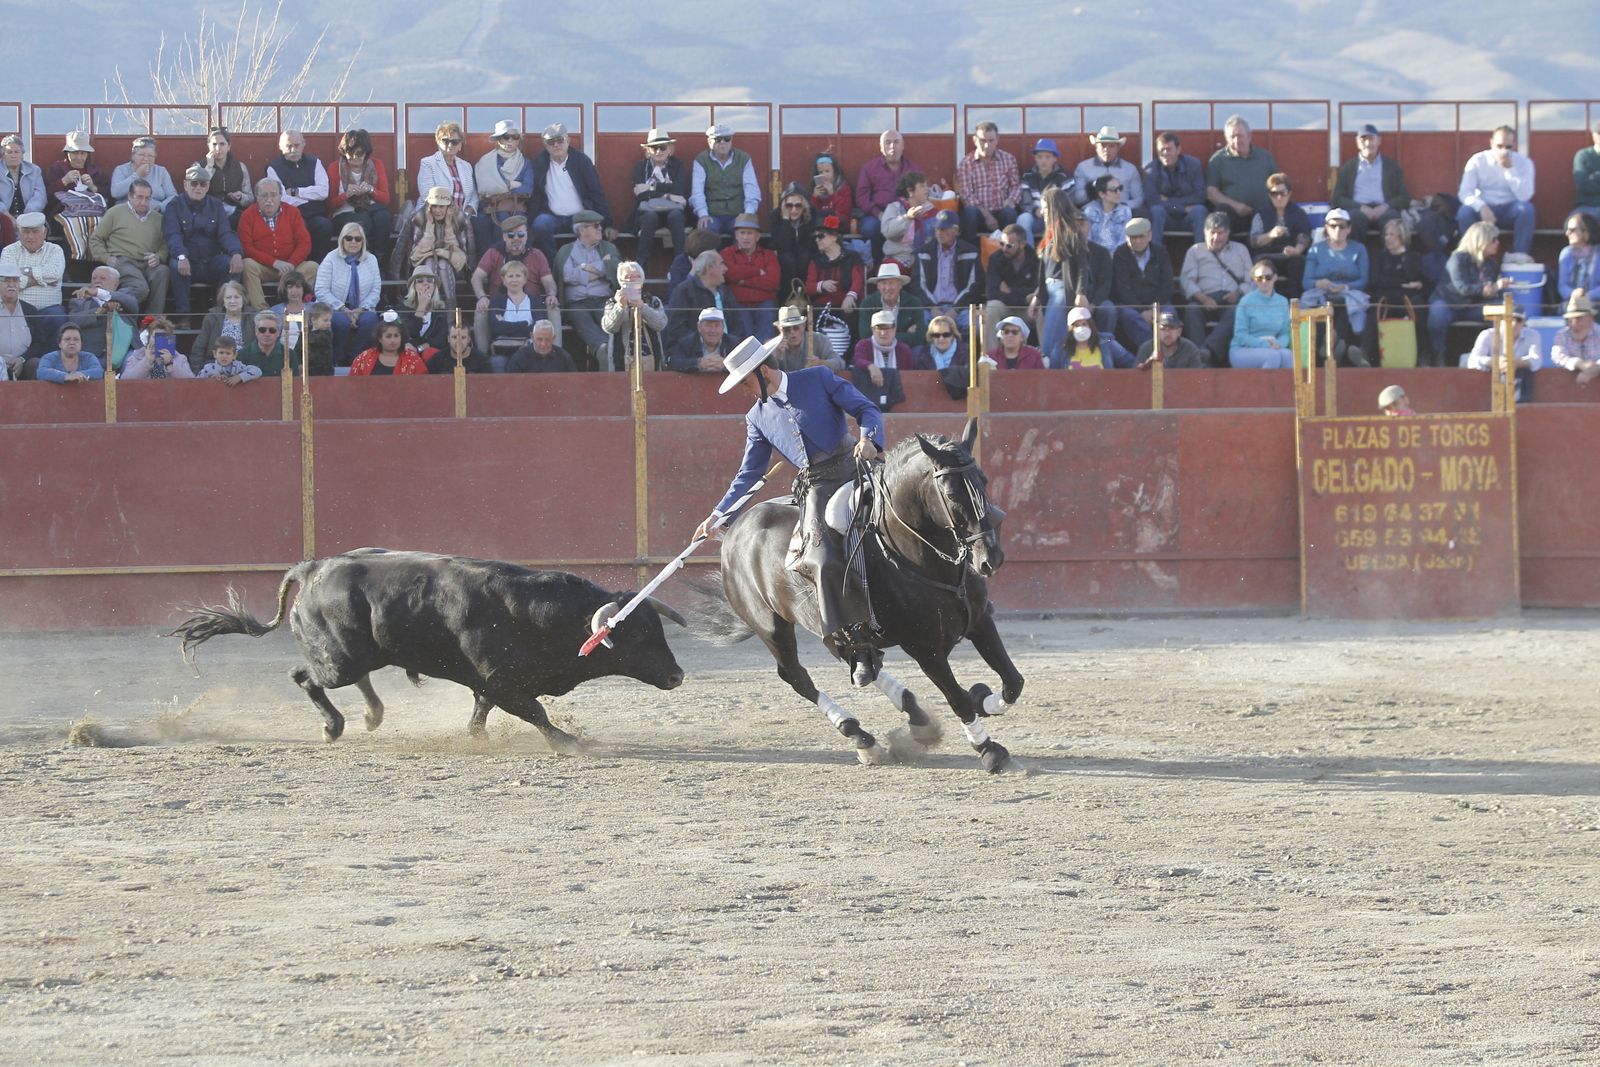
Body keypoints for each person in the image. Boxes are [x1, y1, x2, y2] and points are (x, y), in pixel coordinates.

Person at [695, 338, 886, 687]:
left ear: (763, 371)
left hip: (855, 466)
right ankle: (856, 647)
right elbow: (749, 474)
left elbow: (866, 409)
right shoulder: (756, 416)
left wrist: (869, 437)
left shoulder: (818, 378)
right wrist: (718, 514)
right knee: (821, 558)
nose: (744, 390)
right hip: (816, 487)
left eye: (746, 382)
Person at [470, 214, 559, 354]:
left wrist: (551, 295)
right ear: (504, 237)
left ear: (527, 235)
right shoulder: (494, 253)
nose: (516, 238)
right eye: (511, 235)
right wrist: (482, 297)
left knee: (553, 306)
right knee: (480, 310)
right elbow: (476, 277)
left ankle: (555, 353)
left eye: (520, 234)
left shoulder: (537, 254)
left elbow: (549, 281)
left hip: (532, 305)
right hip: (498, 305)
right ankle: (483, 356)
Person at [164, 164, 244, 316]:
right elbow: (172, 235)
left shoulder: (216, 205)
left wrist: (236, 253)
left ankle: (220, 314)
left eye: (203, 184)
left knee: (232, 265)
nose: (198, 187)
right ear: (185, 184)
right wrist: (181, 256)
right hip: (188, 260)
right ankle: (183, 317)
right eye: (194, 183)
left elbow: (226, 233)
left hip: (211, 260)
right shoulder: (174, 206)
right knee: (175, 266)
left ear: (208, 186)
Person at [1427, 220, 1509, 367]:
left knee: (1503, 310)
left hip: (1473, 306)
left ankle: (1501, 355)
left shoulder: (1490, 263)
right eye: (1493, 240)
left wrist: (1498, 287)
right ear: (1481, 240)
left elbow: (1493, 287)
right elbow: (1462, 287)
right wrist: (1486, 289)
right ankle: (1437, 355)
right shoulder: (1458, 258)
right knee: (1437, 313)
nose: (1497, 243)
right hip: (1450, 303)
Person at [530, 123, 612, 262]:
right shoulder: (540, 162)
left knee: (589, 229)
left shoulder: (582, 161)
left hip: (579, 216)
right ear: (545, 144)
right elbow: (535, 195)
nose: (556, 145)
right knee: (539, 225)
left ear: (567, 140)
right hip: (552, 216)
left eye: (560, 140)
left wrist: (608, 223)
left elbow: (595, 192)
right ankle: (554, 267)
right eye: (551, 142)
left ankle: (584, 268)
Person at [1300, 208, 1371, 366]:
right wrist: (1319, 283)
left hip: (1347, 293)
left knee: (1347, 304)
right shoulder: (1316, 249)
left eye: (1342, 226)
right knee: (1318, 303)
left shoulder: (1359, 249)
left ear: (1349, 229)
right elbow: (1306, 281)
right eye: (1333, 226)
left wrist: (1346, 286)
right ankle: (1335, 346)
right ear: (1326, 227)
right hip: (1322, 294)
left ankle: (1331, 343)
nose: (1337, 230)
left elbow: (1364, 280)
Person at [1029, 187, 1092, 367]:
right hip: (1049, 292)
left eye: (1046, 208)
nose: (1042, 213)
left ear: (1055, 208)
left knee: (1050, 345)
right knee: (1054, 344)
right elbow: (1045, 272)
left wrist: (1081, 292)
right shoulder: (1049, 235)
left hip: (1061, 292)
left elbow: (1082, 266)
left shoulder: (1070, 232)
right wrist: (1037, 296)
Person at [1179, 211, 1253, 364]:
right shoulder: (1195, 251)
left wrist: (1238, 293)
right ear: (1204, 232)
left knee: (1238, 311)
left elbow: (1251, 279)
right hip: (1205, 299)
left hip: (1232, 299)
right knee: (1191, 309)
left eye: (1220, 233)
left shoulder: (1241, 250)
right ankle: (1197, 356)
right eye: (1212, 232)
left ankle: (1207, 351)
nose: (1216, 238)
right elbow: (1186, 280)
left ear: (1228, 233)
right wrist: (1203, 298)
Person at [89, 178, 169, 314]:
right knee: (140, 288)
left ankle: (152, 321)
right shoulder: (115, 212)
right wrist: (106, 257)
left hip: (148, 261)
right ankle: (112, 305)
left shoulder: (158, 218)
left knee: (163, 272)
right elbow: (96, 239)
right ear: (130, 196)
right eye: (139, 197)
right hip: (123, 260)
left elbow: (165, 244)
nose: (144, 202)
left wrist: (159, 256)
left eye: (148, 198)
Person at [552, 210, 620, 369]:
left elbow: (615, 267)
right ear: (582, 230)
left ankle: (608, 350)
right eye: (595, 226)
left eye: (600, 226)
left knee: (610, 319)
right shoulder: (566, 251)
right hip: (577, 303)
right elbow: (566, 275)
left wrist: (584, 269)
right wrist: (600, 269)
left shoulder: (608, 247)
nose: (600, 229)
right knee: (581, 320)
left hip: (603, 300)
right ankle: (604, 349)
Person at [238, 178, 318, 312]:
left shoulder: (293, 212)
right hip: (264, 267)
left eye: (273, 194)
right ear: (257, 197)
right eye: (264, 195)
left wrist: (291, 264)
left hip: (291, 267)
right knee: (247, 265)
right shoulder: (247, 216)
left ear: (280, 196)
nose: (269, 199)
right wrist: (274, 262)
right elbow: (247, 247)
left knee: (313, 267)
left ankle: (293, 305)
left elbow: (304, 242)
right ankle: (262, 311)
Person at [1457, 126, 1535, 256]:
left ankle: (1520, 255)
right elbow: (1464, 193)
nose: (1503, 151)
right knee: (1464, 212)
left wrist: (1510, 170)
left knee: (1527, 210)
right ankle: (1470, 255)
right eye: (1499, 146)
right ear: (1491, 143)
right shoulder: (1478, 160)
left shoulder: (1524, 163)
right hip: (1485, 207)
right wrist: (1481, 206)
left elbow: (1526, 196)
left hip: (1510, 209)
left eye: (1508, 147)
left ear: (1514, 145)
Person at [315, 222, 382, 365]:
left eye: (358, 239)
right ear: (342, 240)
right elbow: (321, 290)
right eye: (349, 238)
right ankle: (338, 359)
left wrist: (361, 309)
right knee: (340, 322)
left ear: (363, 241)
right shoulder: (330, 258)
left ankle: (356, 358)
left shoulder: (371, 259)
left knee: (370, 321)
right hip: (335, 307)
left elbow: (376, 290)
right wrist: (342, 308)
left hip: (362, 308)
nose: (353, 242)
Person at [393, 186, 472, 308]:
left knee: (443, 265)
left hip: (454, 264)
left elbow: (469, 248)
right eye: (434, 206)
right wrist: (394, 273)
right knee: (430, 263)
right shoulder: (417, 217)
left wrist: (448, 225)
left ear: (448, 207)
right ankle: (428, 308)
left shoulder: (460, 219)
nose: (437, 210)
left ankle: (451, 308)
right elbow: (401, 244)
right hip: (422, 263)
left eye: (441, 206)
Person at [1332, 124, 1411, 242]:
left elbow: (1404, 197)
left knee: (1393, 220)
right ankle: (1356, 257)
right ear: (1357, 143)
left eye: (1371, 139)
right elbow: (1337, 198)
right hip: (1359, 210)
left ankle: (1390, 258)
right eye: (1364, 139)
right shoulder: (1349, 167)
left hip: (1384, 210)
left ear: (1379, 141)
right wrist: (1360, 208)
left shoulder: (1391, 166)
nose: (1368, 143)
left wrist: (1385, 207)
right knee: (1352, 219)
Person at [1365, 217, 1428, 362]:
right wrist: (1402, 284)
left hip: (1407, 298)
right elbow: (1376, 281)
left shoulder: (1413, 257)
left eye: (1392, 235)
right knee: (1374, 312)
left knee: (1419, 308)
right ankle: (1365, 355)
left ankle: (1423, 355)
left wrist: (1403, 255)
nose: (1388, 238)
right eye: (1386, 234)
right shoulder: (1378, 256)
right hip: (1385, 296)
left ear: (1402, 236)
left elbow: (1415, 278)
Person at [1206, 115, 1279, 234]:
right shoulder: (1218, 160)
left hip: (1263, 213)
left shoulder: (1265, 157)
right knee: (1221, 212)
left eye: (1240, 136)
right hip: (1234, 216)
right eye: (1232, 137)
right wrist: (1236, 206)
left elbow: (1278, 183)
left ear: (1249, 136)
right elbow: (1211, 193)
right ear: (1226, 138)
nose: (1236, 141)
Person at [913, 209, 982, 334]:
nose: (939, 233)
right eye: (937, 229)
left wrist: (955, 310)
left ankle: (964, 352)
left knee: (976, 326)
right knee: (918, 323)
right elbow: (918, 285)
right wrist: (933, 308)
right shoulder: (924, 251)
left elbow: (974, 286)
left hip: (961, 309)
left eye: (944, 229)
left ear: (956, 230)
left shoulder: (970, 251)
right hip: (930, 308)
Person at [1111, 217, 1174, 352]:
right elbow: (1123, 288)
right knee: (1128, 315)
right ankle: (1157, 352)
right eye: (1133, 237)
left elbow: (1167, 284)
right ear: (1127, 238)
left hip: (1158, 303)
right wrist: (1141, 310)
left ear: (1149, 236)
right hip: (1132, 304)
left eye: (1141, 236)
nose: (1138, 241)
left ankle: (1167, 353)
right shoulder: (1120, 254)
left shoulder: (1160, 252)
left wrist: (1153, 309)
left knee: (1170, 316)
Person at [2, 212, 67, 343]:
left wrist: (23, 273)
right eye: (26, 232)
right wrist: (42, 281)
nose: (30, 236)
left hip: (49, 309)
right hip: (18, 309)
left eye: (35, 232)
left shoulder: (55, 250)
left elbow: (54, 274)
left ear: (44, 233)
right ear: (19, 233)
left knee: (58, 317)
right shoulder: (9, 251)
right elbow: (9, 282)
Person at [265, 130, 332, 255]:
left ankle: (318, 265)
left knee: (324, 226)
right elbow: (281, 198)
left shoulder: (315, 163)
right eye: (288, 146)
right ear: (281, 147)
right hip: (289, 216)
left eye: (296, 145)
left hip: (316, 215)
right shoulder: (273, 168)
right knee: (299, 228)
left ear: (303, 144)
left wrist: (297, 191)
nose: (293, 150)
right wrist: (310, 197)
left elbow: (323, 191)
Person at [630, 128, 689, 267]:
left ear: (670, 149)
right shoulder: (640, 167)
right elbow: (640, 195)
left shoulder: (678, 166)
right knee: (649, 217)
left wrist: (650, 188)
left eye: (662, 147)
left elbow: (679, 191)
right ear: (648, 150)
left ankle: (681, 265)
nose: (658, 151)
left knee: (676, 215)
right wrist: (669, 193)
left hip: (672, 212)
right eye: (654, 148)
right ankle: (641, 267)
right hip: (647, 212)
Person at [330, 128, 392, 259]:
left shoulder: (376, 165)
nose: (354, 157)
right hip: (344, 212)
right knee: (363, 222)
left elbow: (385, 199)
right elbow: (329, 204)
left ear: (366, 153)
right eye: (350, 153)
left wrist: (370, 190)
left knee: (383, 218)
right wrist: (346, 195)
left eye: (359, 154)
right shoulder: (335, 167)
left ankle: (379, 259)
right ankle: (360, 259)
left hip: (371, 207)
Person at [45, 131, 108, 260]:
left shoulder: (95, 171)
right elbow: (47, 196)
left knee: (98, 223)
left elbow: (108, 196)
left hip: (92, 212)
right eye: (75, 153)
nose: (79, 157)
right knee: (73, 224)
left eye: (83, 153)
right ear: (67, 153)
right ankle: (73, 266)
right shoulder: (56, 169)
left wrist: (93, 187)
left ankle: (96, 264)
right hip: (64, 213)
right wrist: (63, 182)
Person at [472, 120, 531, 255]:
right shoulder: (484, 162)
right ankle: (488, 264)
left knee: (510, 222)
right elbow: (482, 187)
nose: (510, 140)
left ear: (518, 140)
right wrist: (511, 185)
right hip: (489, 207)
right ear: (498, 140)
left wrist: (504, 188)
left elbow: (528, 188)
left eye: (515, 137)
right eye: (506, 137)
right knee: (480, 223)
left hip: (514, 207)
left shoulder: (525, 163)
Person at [665, 249, 741, 353]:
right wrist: (704, 347)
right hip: (693, 352)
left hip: (727, 351)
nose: (726, 269)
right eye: (722, 264)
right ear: (709, 268)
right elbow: (677, 328)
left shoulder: (726, 292)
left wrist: (730, 346)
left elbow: (738, 325)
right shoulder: (683, 291)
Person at [855, 129, 919, 251]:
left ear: (902, 146)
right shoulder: (870, 168)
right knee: (870, 228)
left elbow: (921, 193)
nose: (892, 146)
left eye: (896, 142)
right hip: (877, 214)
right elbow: (861, 197)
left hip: (906, 214)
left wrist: (908, 215)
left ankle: (909, 266)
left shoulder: (912, 168)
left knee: (922, 228)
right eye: (887, 142)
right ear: (881, 147)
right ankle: (877, 266)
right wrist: (878, 214)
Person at [690, 124, 759, 236]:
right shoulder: (701, 160)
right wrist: (703, 214)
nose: (722, 143)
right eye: (717, 139)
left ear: (731, 141)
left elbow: (751, 188)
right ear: (709, 142)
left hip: (738, 213)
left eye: (726, 139)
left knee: (744, 233)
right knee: (706, 233)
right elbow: (697, 192)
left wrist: (748, 215)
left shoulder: (744, 158)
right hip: (712, 214)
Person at [956, 121, 1020, 241]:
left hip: (1002, 211)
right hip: (980, 214)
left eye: (991, 141)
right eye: (982, 141)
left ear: (997, 140)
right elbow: (966, 195)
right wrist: (987, 216)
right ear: (975, 140)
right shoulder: (966, 164)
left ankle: (1007, 253)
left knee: (1010, 213)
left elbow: (1016, 186)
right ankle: (969, 253)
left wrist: (1011, 200)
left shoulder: (1008, 159)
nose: (986, 145)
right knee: (969, 212)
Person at [721, 213, 780, 343]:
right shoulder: (727, 253)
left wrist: (743, 281)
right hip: (738, 303)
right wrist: (757, 271)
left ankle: (765, 361)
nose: (746, 237)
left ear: (757, 236)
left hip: (764, 304)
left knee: (766, 339)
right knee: (744, 340)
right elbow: (730, 273)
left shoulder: (768, 255)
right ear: (736, 235)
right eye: (742, 233)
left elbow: (773, 281)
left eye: (750, 233)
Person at [1248, 172, 1311, 291]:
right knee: (1262, 267)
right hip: (1267, 255)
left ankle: (1295, 304)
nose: (1279, 197)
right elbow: (1254, 241)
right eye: (1274, 193)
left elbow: (1304, 236)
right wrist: (1270, 235)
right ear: (1269, 195)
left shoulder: (1299, 213)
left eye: (1283, 193)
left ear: (1289, 194)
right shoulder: (1261, 214)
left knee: (1298, 263)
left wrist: (1297, 250)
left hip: (1290, 256)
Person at [602, 259, 667, 371]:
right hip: (621, 361)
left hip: (651, 359)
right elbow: (609, 327)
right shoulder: (612, 302)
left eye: (636, 277)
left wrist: (643, 307)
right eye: (627, 277)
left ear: (641, 280)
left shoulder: (652, 300)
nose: (631, 280)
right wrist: (620, 307)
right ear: (620, 281)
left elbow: (661, 325)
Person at [1143, 132, 1208, 245]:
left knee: (1200, 210)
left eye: (1169, 149)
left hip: (1189, 217)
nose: (1165, 153)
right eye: (1161, 150)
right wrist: (1182, 207)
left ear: (1178, 150)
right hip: (1165, 218)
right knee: (1156, 211)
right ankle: (1154, 255)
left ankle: (1202, 254)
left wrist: (1168, 202)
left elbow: (1200, 196)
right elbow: (1152, 201)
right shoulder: (1151, 170)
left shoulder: (1193, 165)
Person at [1229, 260, 1293, 369]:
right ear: (1254, 280)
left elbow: (1285, 332)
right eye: (1259, 278)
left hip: (1273, 346)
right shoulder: (1246, 301)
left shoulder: (1282, 301)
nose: (1264, 281)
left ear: (1275, 278)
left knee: (1288, 355)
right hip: (1243, 349)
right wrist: (1266, 345)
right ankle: (1264, 386)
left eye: (1268, 277)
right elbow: (1240, 335)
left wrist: (1279, 344)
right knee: (1272, 356)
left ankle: (1286, 387)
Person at [983, 223, 1039, 345]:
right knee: (992, 306)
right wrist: (1023, 296)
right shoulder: (995, 258)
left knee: (1042, 309)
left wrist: (1009, 291)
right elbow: (992, 293)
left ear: (1023, 244)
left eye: (1009, 245)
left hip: (1026, 309)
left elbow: (1036, 290)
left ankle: (1046, 356)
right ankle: (990, 359)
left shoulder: (1036, 260)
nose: (1004, 249)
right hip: (1006, 307)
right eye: (1002, 244)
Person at [806, 214, 865, 328]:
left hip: (846, 303)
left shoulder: (852, 257)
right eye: (815, 237)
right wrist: (822, 285)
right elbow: (808, 287)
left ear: (834, 237)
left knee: (852, 312)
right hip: (822, 306)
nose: (817, 240)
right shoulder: (815, 260)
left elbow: (858, 280)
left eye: (821, 236)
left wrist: (850, 296)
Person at [1465, 309, 1540, 399]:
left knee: (1523, 373)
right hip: (1488, 385)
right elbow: (1473, 361)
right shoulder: (1487, 335)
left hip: (1520, 378)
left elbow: (1536, 360)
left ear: (1523, 323)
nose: (1514, 324)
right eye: (1509, 319)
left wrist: (1515, 363)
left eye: (1519, 320)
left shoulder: (1533, 335)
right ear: (1501, 321)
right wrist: (1495, 362)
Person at [415, 121, 478, 226]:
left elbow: (473, 196)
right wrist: (450, 215)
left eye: (455, 142)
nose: (450, 145)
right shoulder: (428, 163)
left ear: (460, 145)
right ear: (438, 143)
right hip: (434, 216)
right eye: (445, 141)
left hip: (463, 218)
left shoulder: (466, 166)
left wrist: (466, 213)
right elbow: (427, 195)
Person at [484, 259, 543, 367]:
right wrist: (525, 324)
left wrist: (505, 325)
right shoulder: (496, 301)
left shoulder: (536, 301)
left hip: (529, 351)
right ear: (503, 280)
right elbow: (496, 328)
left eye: (518, 276)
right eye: (510, 276)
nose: (514, 280)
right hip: (503, 350)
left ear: (525, 279)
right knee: (497, 362)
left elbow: (539, 329)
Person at [189, 280, 255, 372]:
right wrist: (197, 372)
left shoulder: (253, 317)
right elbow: (199, 347)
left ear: (243, 299)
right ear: (223, 300)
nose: (232, 301)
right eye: (228, 297)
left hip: (245, 366)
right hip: (216, 367)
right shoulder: (212, 317)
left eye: (236, 297)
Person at [857, 261, 925, 350]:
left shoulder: (914, 302)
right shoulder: (867, 303)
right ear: (878, 286)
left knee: (919, 350)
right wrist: (905, 334)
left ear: (900, 285)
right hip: (876, 349)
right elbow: (865, 335)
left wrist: (882, 335)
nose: (888, 288)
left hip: (905, 350)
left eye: (891, 283)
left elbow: (920, 337)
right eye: (884, 283)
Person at [1015, 139, 1072, 244]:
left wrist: (1050, 211)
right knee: (1023, 220)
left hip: (1055, 216)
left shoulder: (1064, 178)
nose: (1043, 161)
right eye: (1039, 157)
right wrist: (1035, 210)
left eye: (1047, 157)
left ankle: (1055, 255)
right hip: (1034, 216)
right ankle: (1029, 255)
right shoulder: (1027, 177)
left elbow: (1068, 201)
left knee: (1061, 222)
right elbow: (1025, 202)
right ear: (1035, 158)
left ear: (1055, 158)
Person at [1073, 126, 1142, 212]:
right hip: (1092, 214)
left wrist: (1122, 206)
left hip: (1122, 213)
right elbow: (1077, 199)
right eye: (1103, 145)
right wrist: (1092, 188)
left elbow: (1139, 199)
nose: (1106, 150)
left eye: (1111, 146)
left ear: (1118, 148)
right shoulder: (1083, 167)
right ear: (1096, 147)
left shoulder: (1130, 169)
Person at [879, 170, 936, 274]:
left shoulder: (931, 210)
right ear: (910, 191)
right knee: (890, 270)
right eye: (922, 186)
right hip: (899, 257)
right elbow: (888, 232)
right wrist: (907, 218)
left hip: (926, 258)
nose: (926, 189)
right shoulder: (894, 208)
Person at [769, 183, 815, 297]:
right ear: (784, 205)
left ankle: (805, 296)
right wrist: (785, 220)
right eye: (789, 205)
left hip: (805, 253)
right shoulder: (775, 216)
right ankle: (789, 297)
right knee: (787, 259)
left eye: (798, 205)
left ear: (804, 205)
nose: (794, 210)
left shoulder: (812, 214)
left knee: (805, 258)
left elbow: (809, 244)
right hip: (786, 256)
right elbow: (782, 246)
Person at [201, 127, 252, 226]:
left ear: (229, 147)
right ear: (208, 146)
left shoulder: (240, 167)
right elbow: (196, 192)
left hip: (234, 214)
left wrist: (241, 197)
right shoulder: (199, 166)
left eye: (222, 144)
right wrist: (209, 167)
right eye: (214, 144)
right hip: (208, 213)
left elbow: (250, 199)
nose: (218, 148)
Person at [768, 304, 842, 372]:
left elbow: (839, 363)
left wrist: (821, 363)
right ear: (780, 329)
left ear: (803, 326)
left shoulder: (820, 340)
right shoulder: (772, 346)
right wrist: (775, 356)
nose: (792, 332)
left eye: (796, 328)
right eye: (787, 329)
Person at [110, 136, 177, 209]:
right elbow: (115, 193)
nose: (146, 159)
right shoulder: (121, 170)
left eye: (150, 156)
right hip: (127, 213)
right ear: (133, 156)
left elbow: (173, 196)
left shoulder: (161, 171)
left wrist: (161, 207)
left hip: (155, 214)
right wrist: (137, 175)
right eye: (141, 155)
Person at [1055, 305, 1132, 369]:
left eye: (1084, 324)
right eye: (1077, 325)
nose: (1081, 328)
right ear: (1071, 329)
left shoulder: (1106, 342)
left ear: (1091, 325)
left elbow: (1130, 361)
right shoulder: (1060, 349)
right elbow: (1052, 376)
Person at [349, 315, 430, 375]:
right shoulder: (364, 358)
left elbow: (422, 386)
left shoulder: (413, 359)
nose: (393, 340)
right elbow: (353, 385)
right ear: (380, 338)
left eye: (396, 336)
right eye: (388, 336)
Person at [118, 315, 193, 380]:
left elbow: (191, 381)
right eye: (155, 337)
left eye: (163, 337)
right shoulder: (136, 357)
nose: (158, 341)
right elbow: (125, 380)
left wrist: (170, 364)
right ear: (149, 338)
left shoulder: (180, 358)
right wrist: (146, 362)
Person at [854, 308, 911, 388]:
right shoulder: (863, 345)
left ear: (894, 329)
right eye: (879, 328)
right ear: (872, 329)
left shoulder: (904, 349)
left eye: (887, 328)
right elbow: (858, 360)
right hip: (870, 391)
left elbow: (908, 376)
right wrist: (871, 366)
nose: (883, 333)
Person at [1550, 292, 1600, 384]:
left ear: (1590, 318)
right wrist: (1580, 364)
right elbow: (1558, 357)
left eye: (1579, 318)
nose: (1574, 323)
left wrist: (1592, 370)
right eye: (1570, 319)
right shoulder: (1562, 335)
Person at [0, 264, 38, 380]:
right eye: (6, 281)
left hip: (24, 363)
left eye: (15, 281)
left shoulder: (30, 310)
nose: (11, 285)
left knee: (37, 364)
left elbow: (40, 342)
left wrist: (22, 359)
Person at [400, 267, 449, 354]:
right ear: (414, 286)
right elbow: (407, 334)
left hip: (431, 352)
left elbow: (441, 338)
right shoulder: (403, 307)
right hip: (409, 351)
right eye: (420, 281)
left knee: (430, 353)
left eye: (430, 281)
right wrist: (421, 307)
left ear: (434, 287)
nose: (426, 284)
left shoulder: (440, 308)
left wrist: (420, 348)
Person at [1137, 310, 1209, 369]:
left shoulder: (1189, 348)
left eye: (1171, 329)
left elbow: (1198, 377)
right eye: (1163, 329)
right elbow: (1135, 376)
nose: (1167, 334)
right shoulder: (1146, 348)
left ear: (1179, 332)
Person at [668, 306, 731, 373]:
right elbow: (673, 362)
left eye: (717, 325)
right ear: (699, 327)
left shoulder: (733, 342)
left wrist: (726, 364)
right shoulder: (686, 343)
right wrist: (699, 363)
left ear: (723, 328)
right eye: (708, 325)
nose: (712, 330)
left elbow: (742, 364)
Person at [34, 323, 104, 384]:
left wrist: (79, 374)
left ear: (81, 343)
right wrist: (66, 376)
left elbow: (98, 372)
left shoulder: (89, 357)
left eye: (76, 339)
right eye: (67, 339)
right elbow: (41, 372)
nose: (72, 343)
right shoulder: (49, 357)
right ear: (59, 343)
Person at [1556, 211, 1600, 305]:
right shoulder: (1566, 254)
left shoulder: (1598, 254)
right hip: (1572, 302)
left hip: (1596, 304)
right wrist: (1574, 294)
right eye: (1567, 230)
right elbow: (1562, 286)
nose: (1567, 233)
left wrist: (1588, 295)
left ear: (1586, 231)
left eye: (1572, 230)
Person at [0, 135, 46, 220]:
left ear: (22, 154)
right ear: (3, 155)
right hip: (2, 217)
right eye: (9, 152)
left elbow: (40, 196)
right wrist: (6, 216)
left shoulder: (34, 170)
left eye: (17, 152)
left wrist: (28, 215)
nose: (13, 156)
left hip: (30, 214)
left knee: (37, 228)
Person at [1083, 174, 1132, 252]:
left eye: (1120, 188)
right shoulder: (1090, 211)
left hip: (1117, 257)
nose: (1118, 192)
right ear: (1102, 194)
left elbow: (1124, 239)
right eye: (1114, 190)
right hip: (1094, 256)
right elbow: (1087, 238)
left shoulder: (1125, 211)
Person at [506, 318, 576, 373]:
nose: (543, 344)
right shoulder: (519, 358)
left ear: (553, 338)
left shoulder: (564, 357)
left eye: (548, 340)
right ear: (532, 337)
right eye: (539, 339)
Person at [270, 269, 313, 356]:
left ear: (304, 288)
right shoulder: (275, 310)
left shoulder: (314, 308)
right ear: (284, 290)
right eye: (290, 287)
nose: (294, 291)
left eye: (298, 286)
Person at [425, 321, 492, 376]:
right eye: (454, 337)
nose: (458, 342)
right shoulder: (437, 360)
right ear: (448, 339)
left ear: (468, 339)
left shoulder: (482, 361)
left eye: (463, 338)